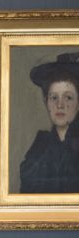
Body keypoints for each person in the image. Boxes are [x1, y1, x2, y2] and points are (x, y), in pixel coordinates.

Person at [20, 52, 79, 193]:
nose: (60, 105)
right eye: (54, 98)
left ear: (78, 103)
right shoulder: (40, 148)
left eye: (68, 98)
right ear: (46, 102)